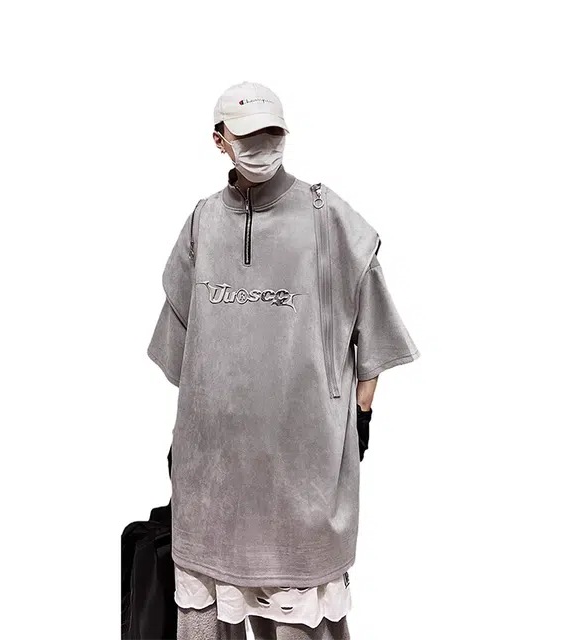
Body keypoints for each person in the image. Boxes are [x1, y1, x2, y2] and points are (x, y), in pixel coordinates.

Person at [147, 81, 420, 639]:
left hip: (302, 478)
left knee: (301, 617)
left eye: (272, 133)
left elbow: (375, 338)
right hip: (213, 481)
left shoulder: (327, 217)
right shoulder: (202, 223)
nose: (262, 146)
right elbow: (183, 358)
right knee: (206, 617)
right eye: (247, 136)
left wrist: (360, 416)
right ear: (219, 140)